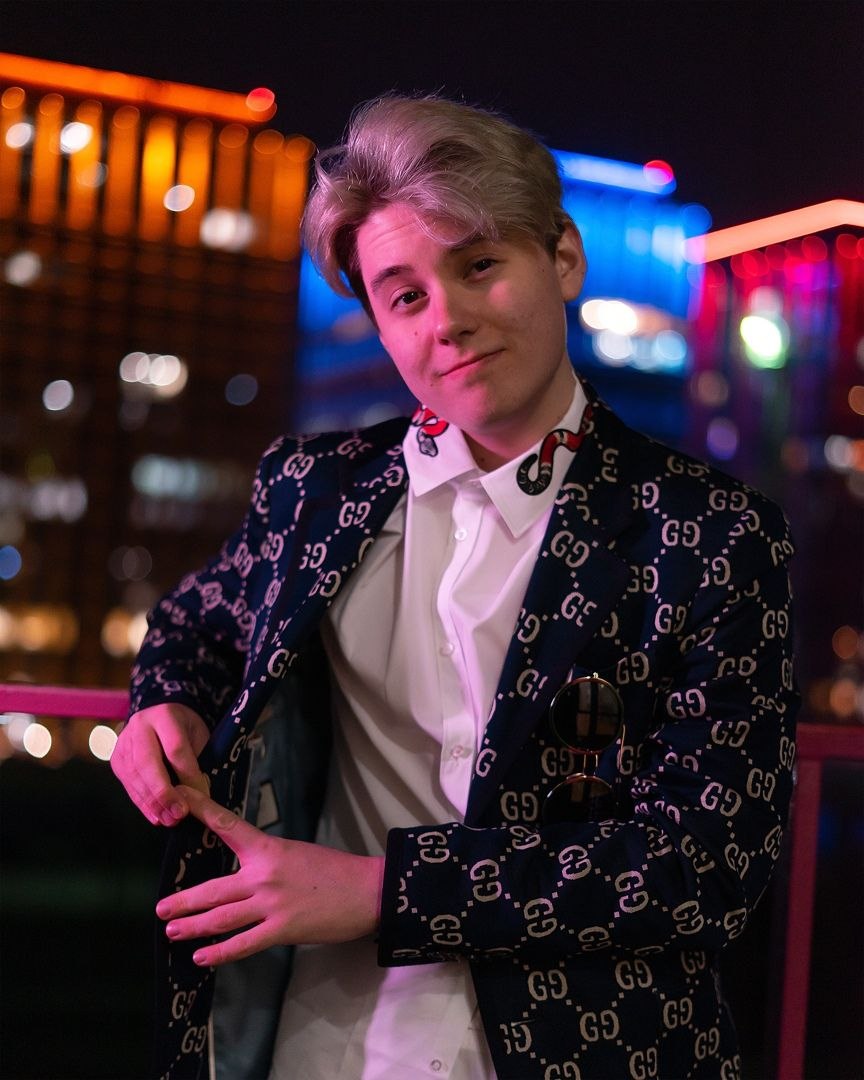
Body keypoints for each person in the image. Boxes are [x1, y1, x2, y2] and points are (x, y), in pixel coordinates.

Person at [111, 95, 799, 1080]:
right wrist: (166, 701)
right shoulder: (318, 489)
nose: (451, 321)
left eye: (479, 266)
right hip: (314, 1044)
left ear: (564, 257)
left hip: (587, 1052)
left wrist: (382, 891)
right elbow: (197, 622)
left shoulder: (710, 532)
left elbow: (708, 862)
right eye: (405, 297)